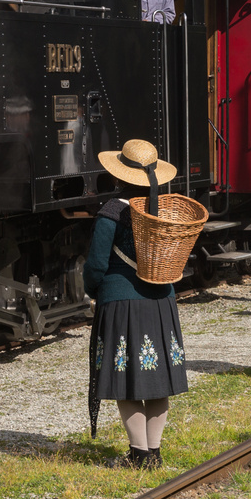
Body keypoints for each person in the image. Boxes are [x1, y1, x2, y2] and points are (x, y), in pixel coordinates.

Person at [85, 139, 189, 469]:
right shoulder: (164, 211)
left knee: (127, 382)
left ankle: (138, 455)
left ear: (119, 174)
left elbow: (97, 265)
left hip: (122, 302)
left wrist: (92, 291)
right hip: (161, 302)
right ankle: (153, 453)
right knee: (156, 381)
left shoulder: (111, 212)